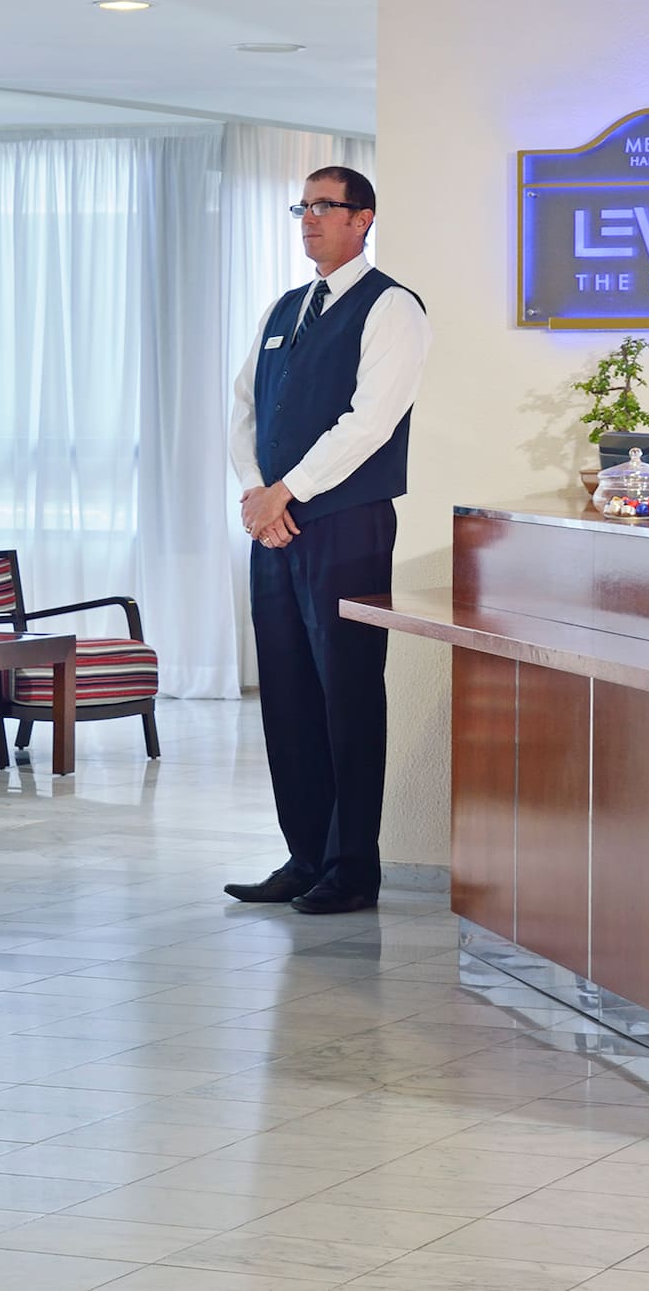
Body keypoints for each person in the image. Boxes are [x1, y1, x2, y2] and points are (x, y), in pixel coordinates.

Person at [224, 167, 430, 914]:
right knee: (286, 690)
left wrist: (288, 491)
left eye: (325, 206)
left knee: (345, 690)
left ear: (363, 219)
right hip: (274, 525)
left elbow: (370, 421)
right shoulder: (286, 308)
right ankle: (304, 854)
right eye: (302, 207)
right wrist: (258, 492)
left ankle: (352, 867)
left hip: (345, 523)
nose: (310, 219)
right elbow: (245, 405)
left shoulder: (392, 308)